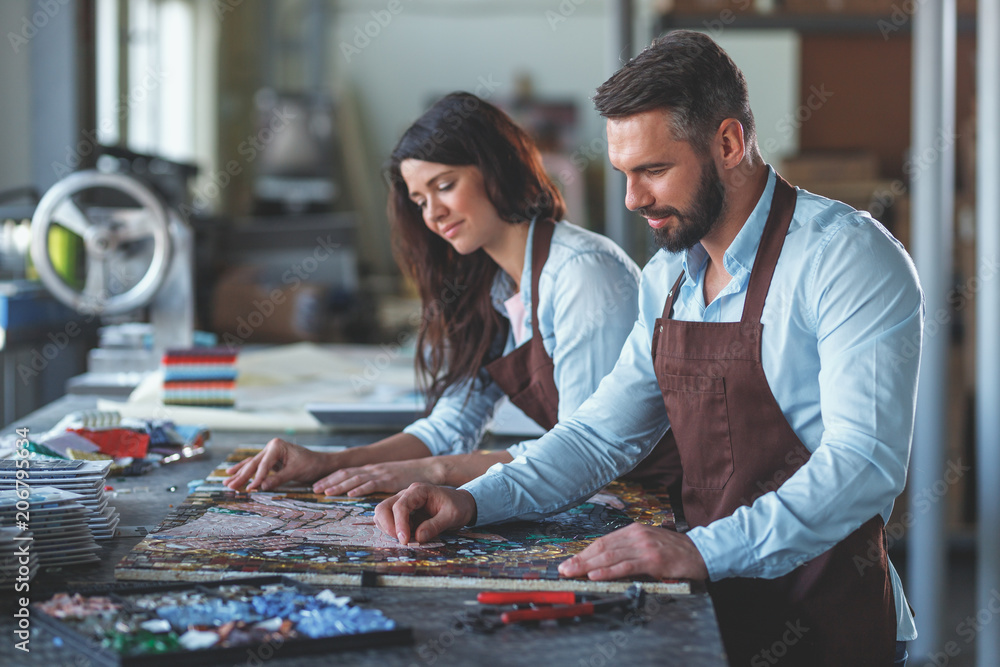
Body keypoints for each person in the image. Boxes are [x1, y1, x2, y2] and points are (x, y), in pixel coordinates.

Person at [374, 32, 921, 667]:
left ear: (729, 142)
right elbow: (598, 437)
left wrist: (703, 551)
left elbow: (865, 465)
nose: (633, 199)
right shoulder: (668, 279)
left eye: (654, 170)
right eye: (624, 174)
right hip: (707, 607)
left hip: (824, 619)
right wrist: (474, 500)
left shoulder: (846, 258)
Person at [225, 92, 643, 498]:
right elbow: (450, 426)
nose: (433, 214)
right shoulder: (494, 286)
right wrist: (331, 462)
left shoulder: (582, 273)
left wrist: (434, 471)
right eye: (420, 200)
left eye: (445, 185)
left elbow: (582, 454)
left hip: (651, 504)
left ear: (496, 168)